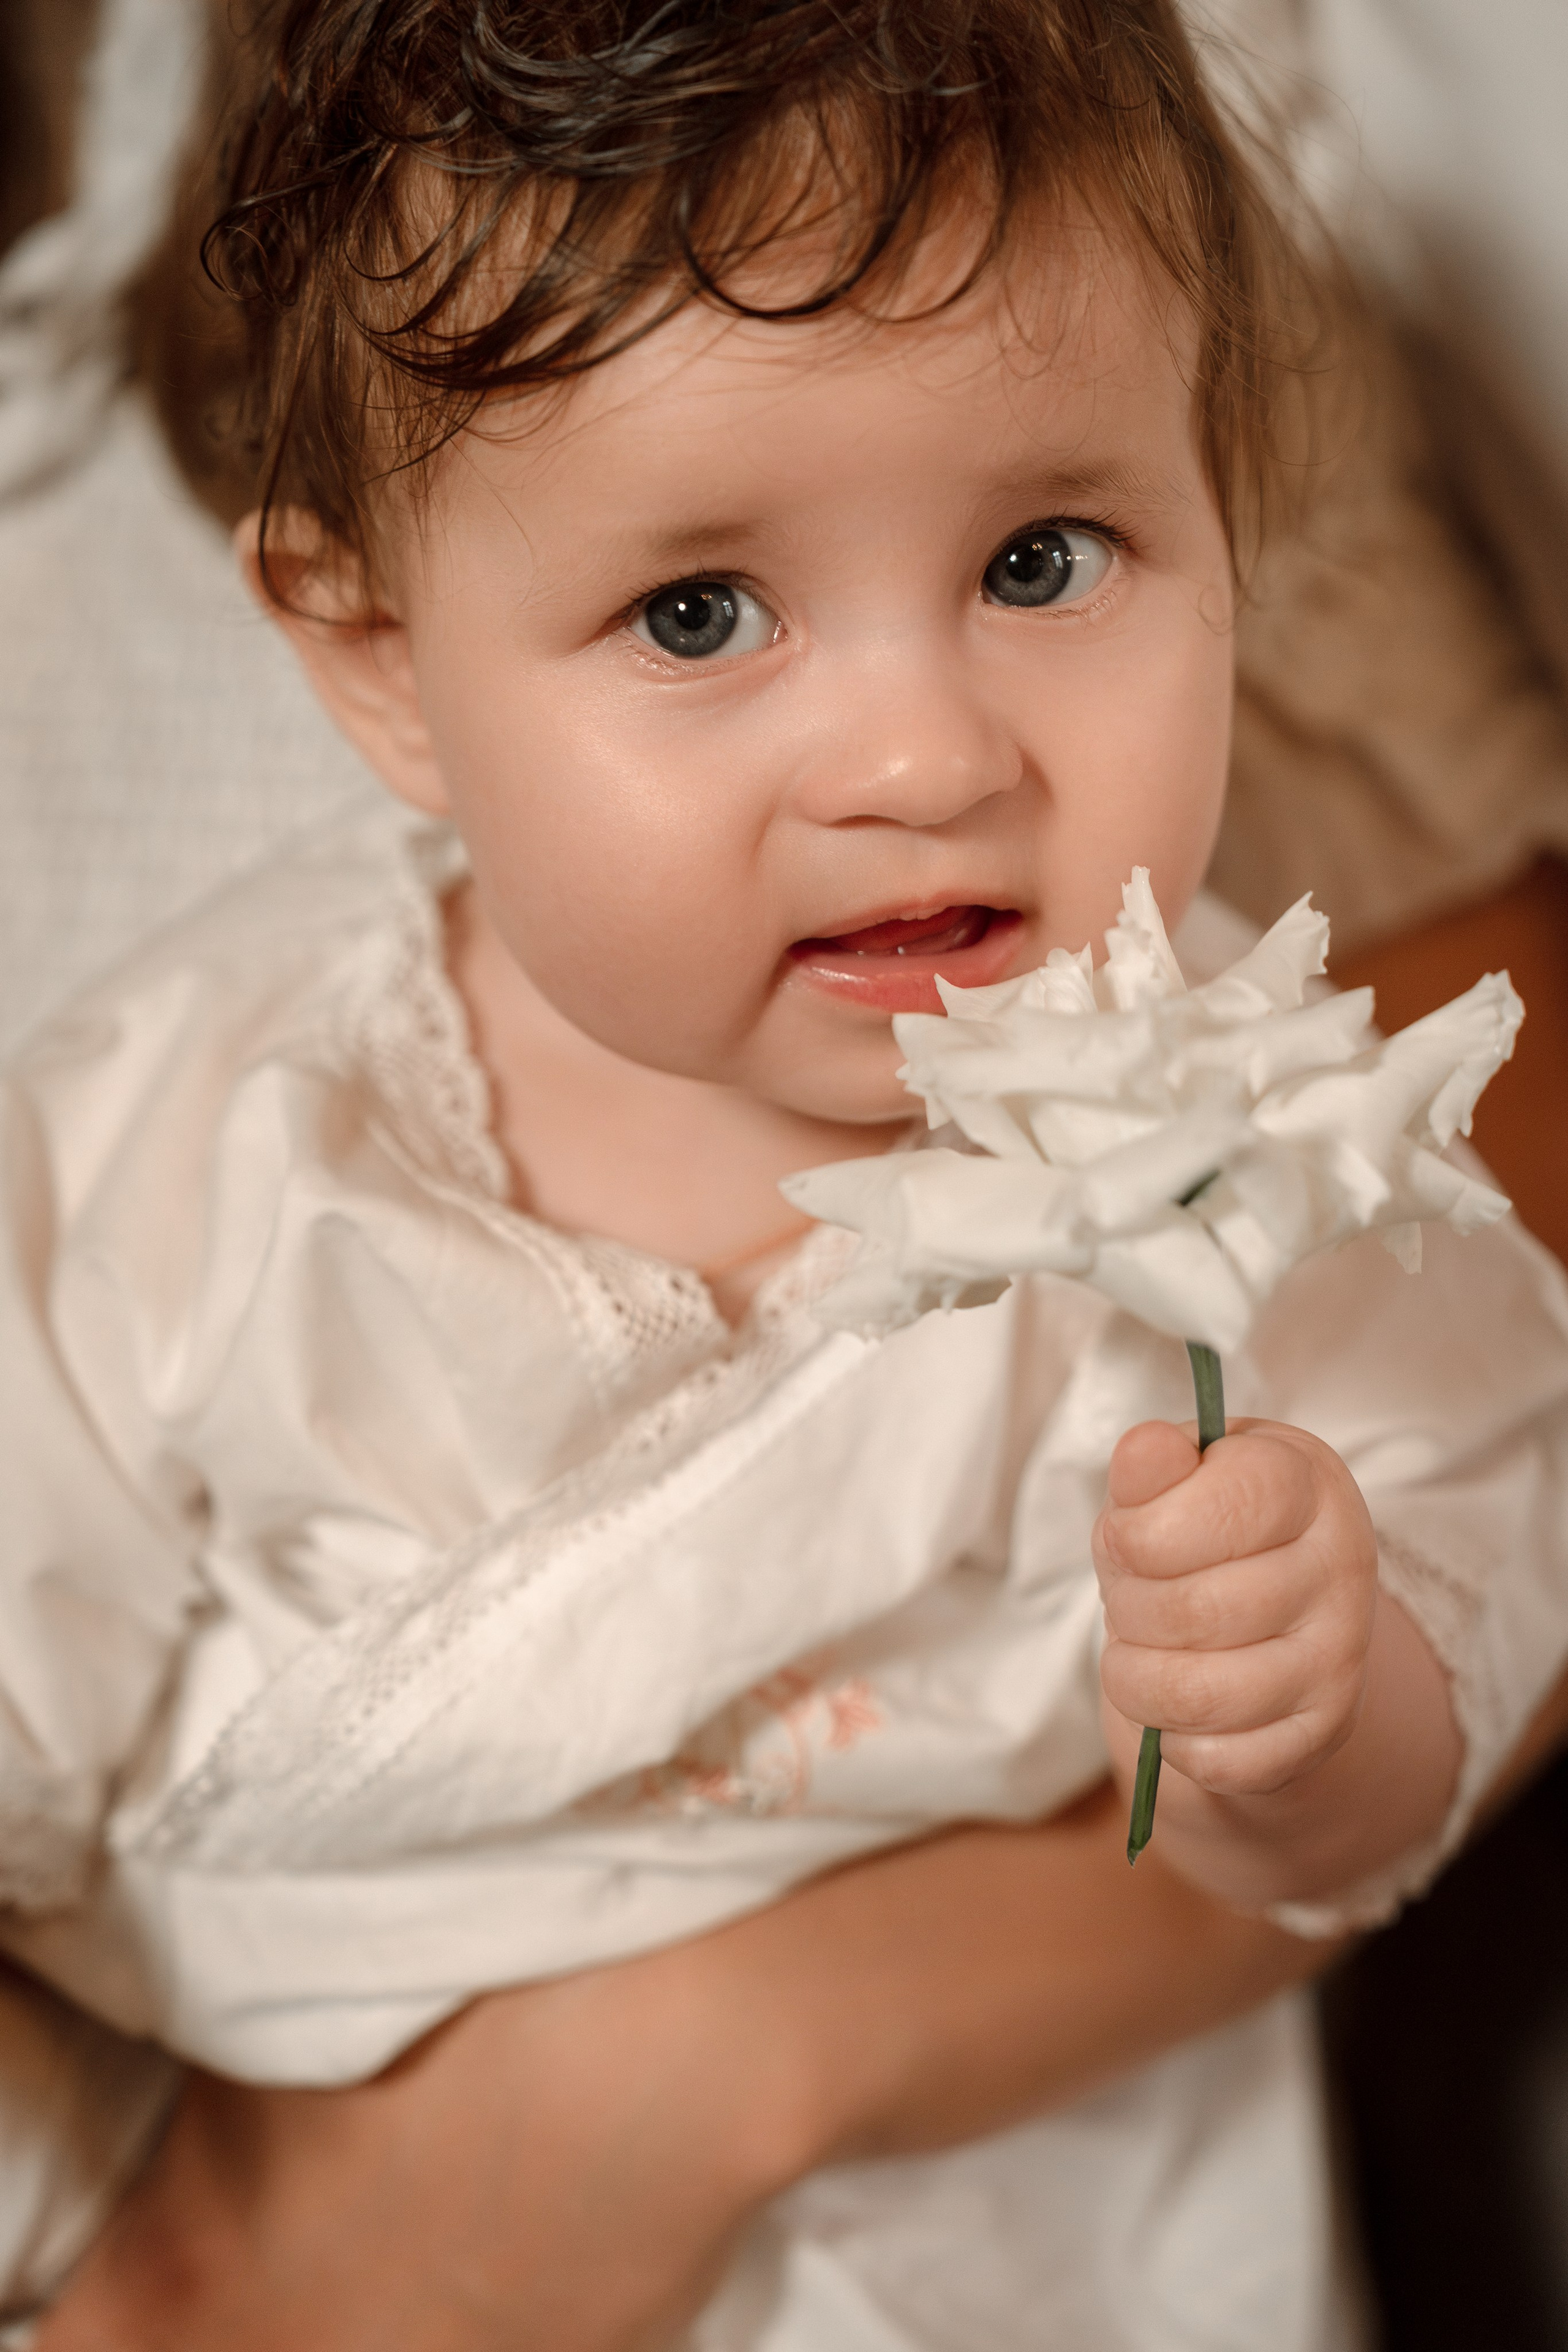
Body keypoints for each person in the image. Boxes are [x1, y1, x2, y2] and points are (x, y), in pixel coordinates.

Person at [5, 1, 1568, 2344]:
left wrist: (1313, 1727)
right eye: (702, 613)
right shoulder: (203, 1161)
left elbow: (1432, 1695)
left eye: (1047, 556)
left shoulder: (1256, 1143)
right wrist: (97, 2248)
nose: (927, 750)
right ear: (384, 660)